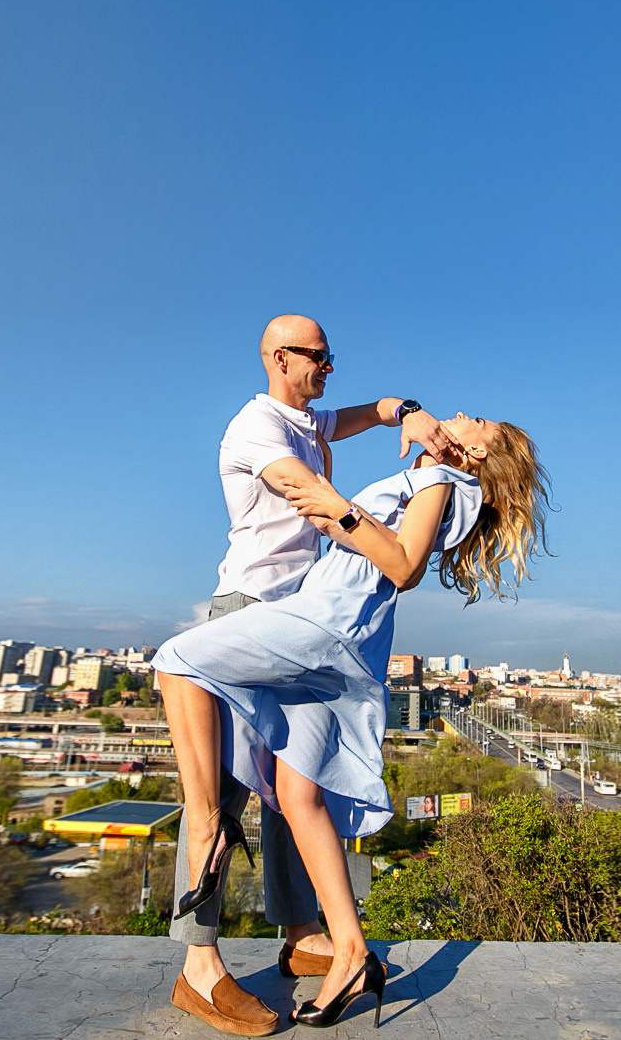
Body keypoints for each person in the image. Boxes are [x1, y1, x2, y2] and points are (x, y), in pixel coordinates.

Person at [157, 412, 549, 1030]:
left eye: (479, 423)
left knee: (176, 659)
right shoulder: (433, 477)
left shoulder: (440, 480)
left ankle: (209, 827)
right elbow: (359, 521)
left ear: (476, 453)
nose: (464, 416)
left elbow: (404, 566)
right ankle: (351, 953)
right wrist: (382, 436)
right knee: (298, 794)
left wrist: (338, 507)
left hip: (325, 621)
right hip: (346, 633)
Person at [167, 314, 461, 1036]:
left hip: (300, 619)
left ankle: (301, 933)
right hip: (249, 610)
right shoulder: (257, 428)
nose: (329, 368)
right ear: (279, 357)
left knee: (295, 783)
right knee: (225, 792)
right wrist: (380, 526)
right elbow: (304, 491)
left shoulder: (308, 419)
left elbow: (368, 411)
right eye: (319, 358)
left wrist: (407, 411)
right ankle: (198, 968)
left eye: (332, 358)